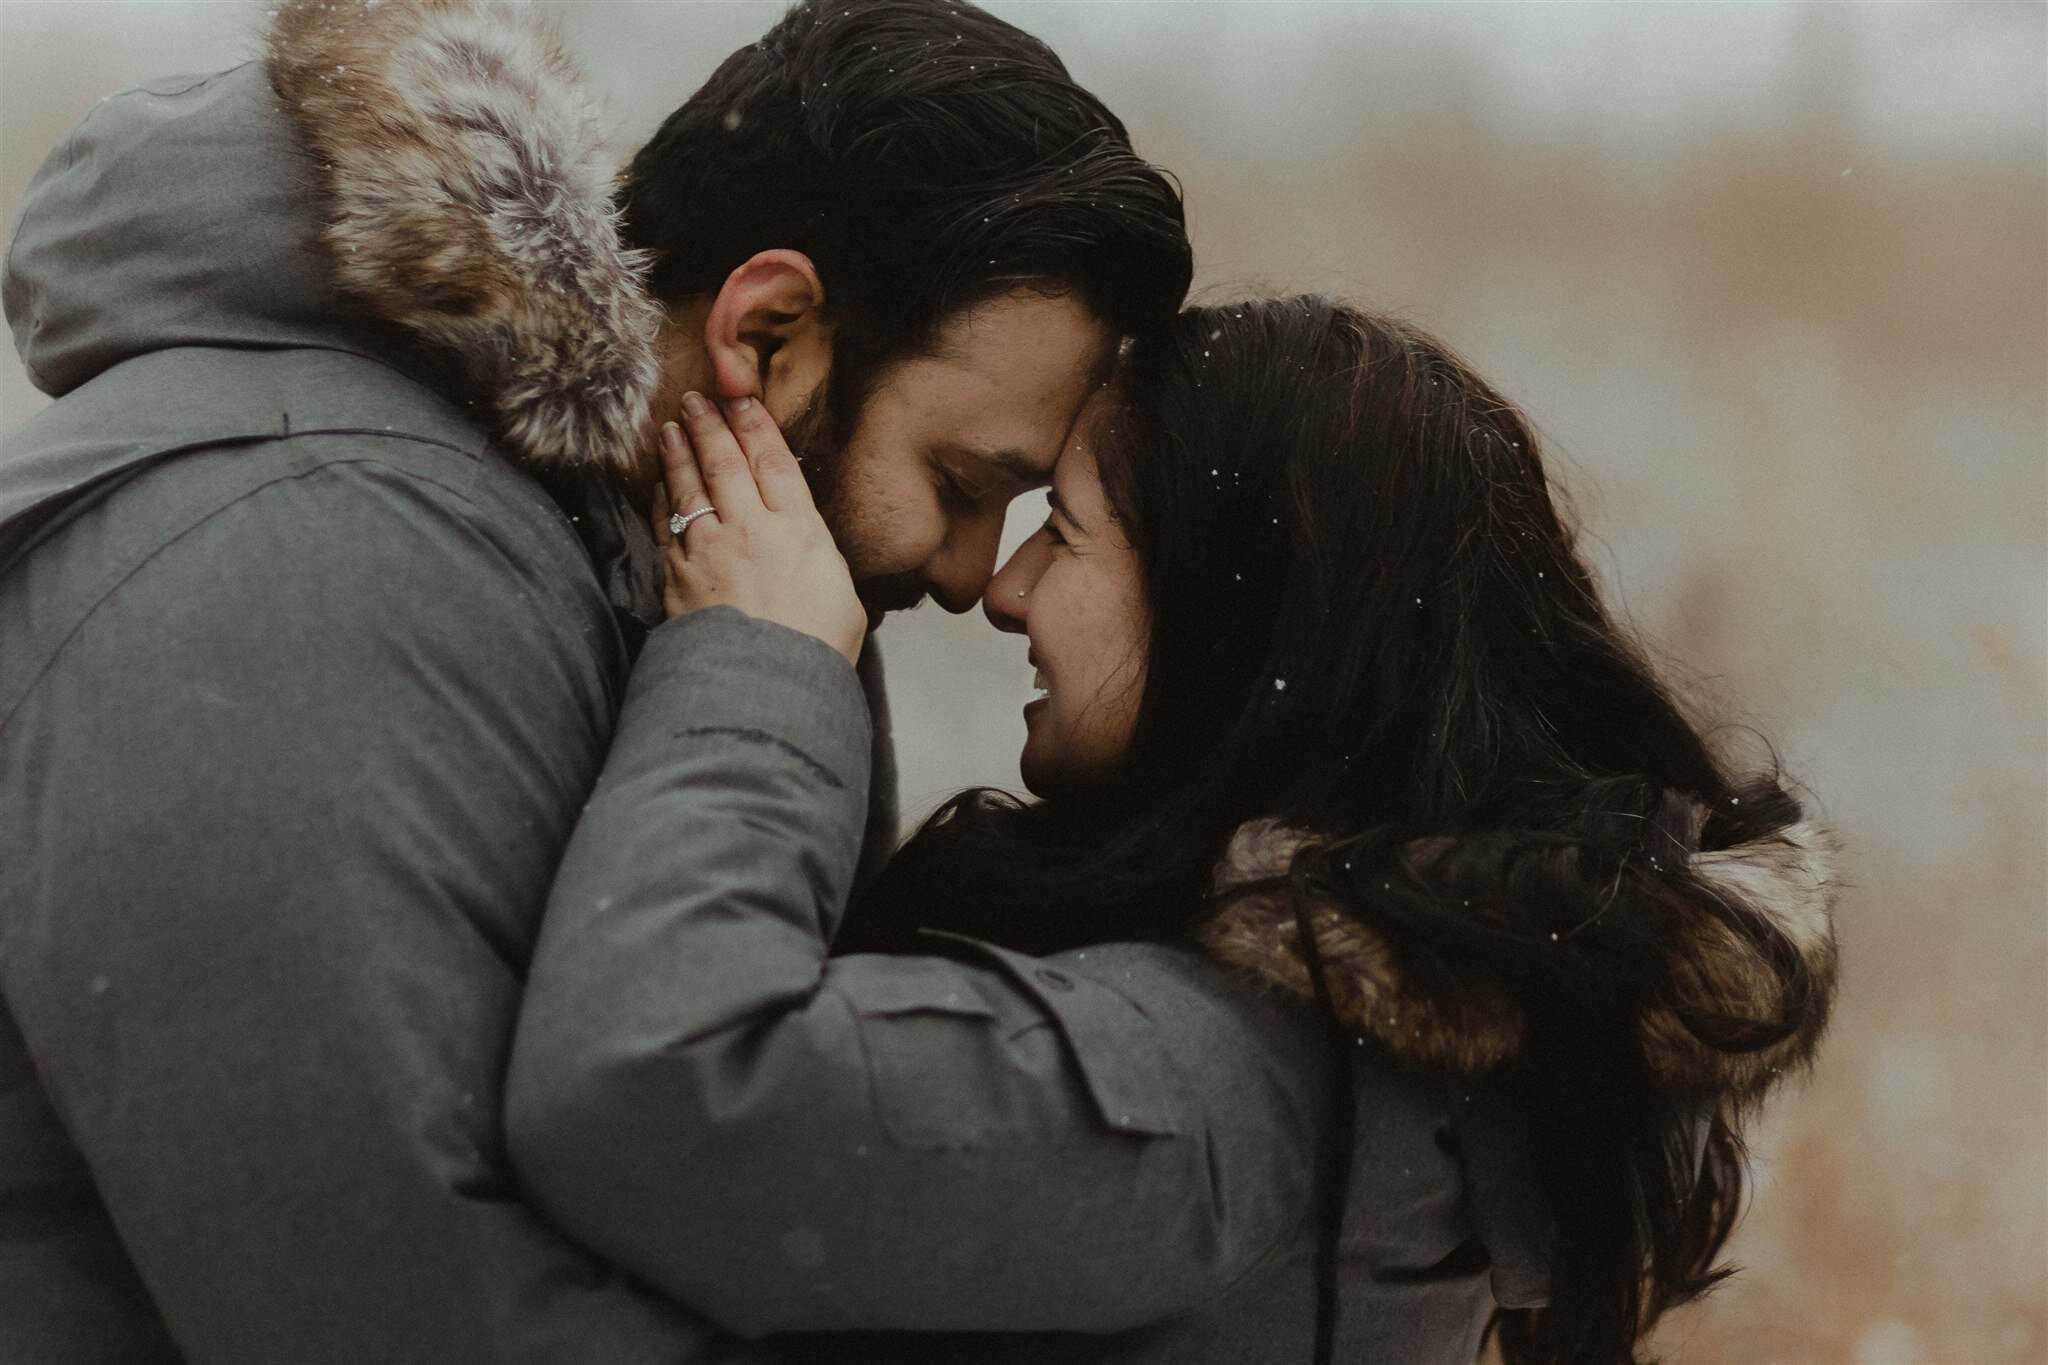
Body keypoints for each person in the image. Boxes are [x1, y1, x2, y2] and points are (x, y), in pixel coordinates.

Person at [0, 0, 1188, 1356]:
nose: (976, 571)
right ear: (769, 332)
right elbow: (404, 1314)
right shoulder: (301, 553)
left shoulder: (641, 574)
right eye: (962, 484)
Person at [506, 298, 1841, 1364]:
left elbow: (653, 1090)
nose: (1007, 588)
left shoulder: (1217, 1089)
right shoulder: (1370, 1032)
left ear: (1233, 619)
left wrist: (754, 663)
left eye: (1067, 536)